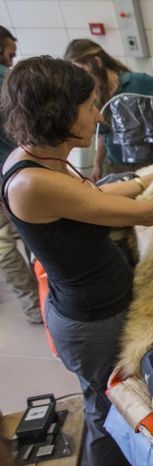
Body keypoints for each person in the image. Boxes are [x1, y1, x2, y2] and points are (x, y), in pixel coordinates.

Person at [0, 56, 153, 466]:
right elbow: (145, 215)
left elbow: (93, 200)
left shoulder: (39, 160)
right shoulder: (32, 181)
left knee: (105, 406)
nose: (98, 116)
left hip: (96, 309)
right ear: (58, 112)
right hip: (92, 322)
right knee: (112, 413)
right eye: (89, 106)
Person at [64, 39, 153, 181]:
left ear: (97, 62)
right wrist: (97, 165)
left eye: (82, 71)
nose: (81, 78)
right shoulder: (94, 95)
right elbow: (102, 135)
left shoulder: (137, 82)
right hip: (117, 166)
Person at [0, 25, 42, 325]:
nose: (12, 61)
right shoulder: (10, 84)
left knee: (5, 243)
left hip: (9, 174)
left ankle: (32, 306)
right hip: (16, 173)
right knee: (33, 237)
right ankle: (41, 299)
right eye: (10, 54)